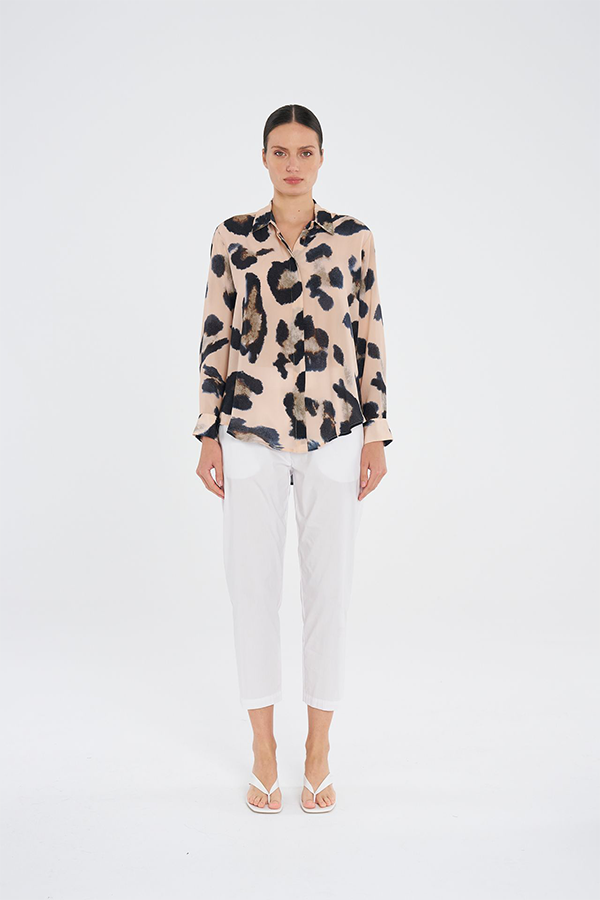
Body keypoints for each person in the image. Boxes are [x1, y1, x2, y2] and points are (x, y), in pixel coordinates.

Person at [192, 104, 393, 813]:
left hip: (336, 433)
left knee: (328, 592)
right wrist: (206, 430)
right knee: (251, 589)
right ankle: (263, 748)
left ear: (322, 157)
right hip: (248, 433)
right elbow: (215, 334)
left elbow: (370, 336)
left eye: (305, 151)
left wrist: (377, 432)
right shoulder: (232, 237)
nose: (293, 164)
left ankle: (318, 749)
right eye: (280, 151)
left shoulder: (354, 239)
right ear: (264, 157)